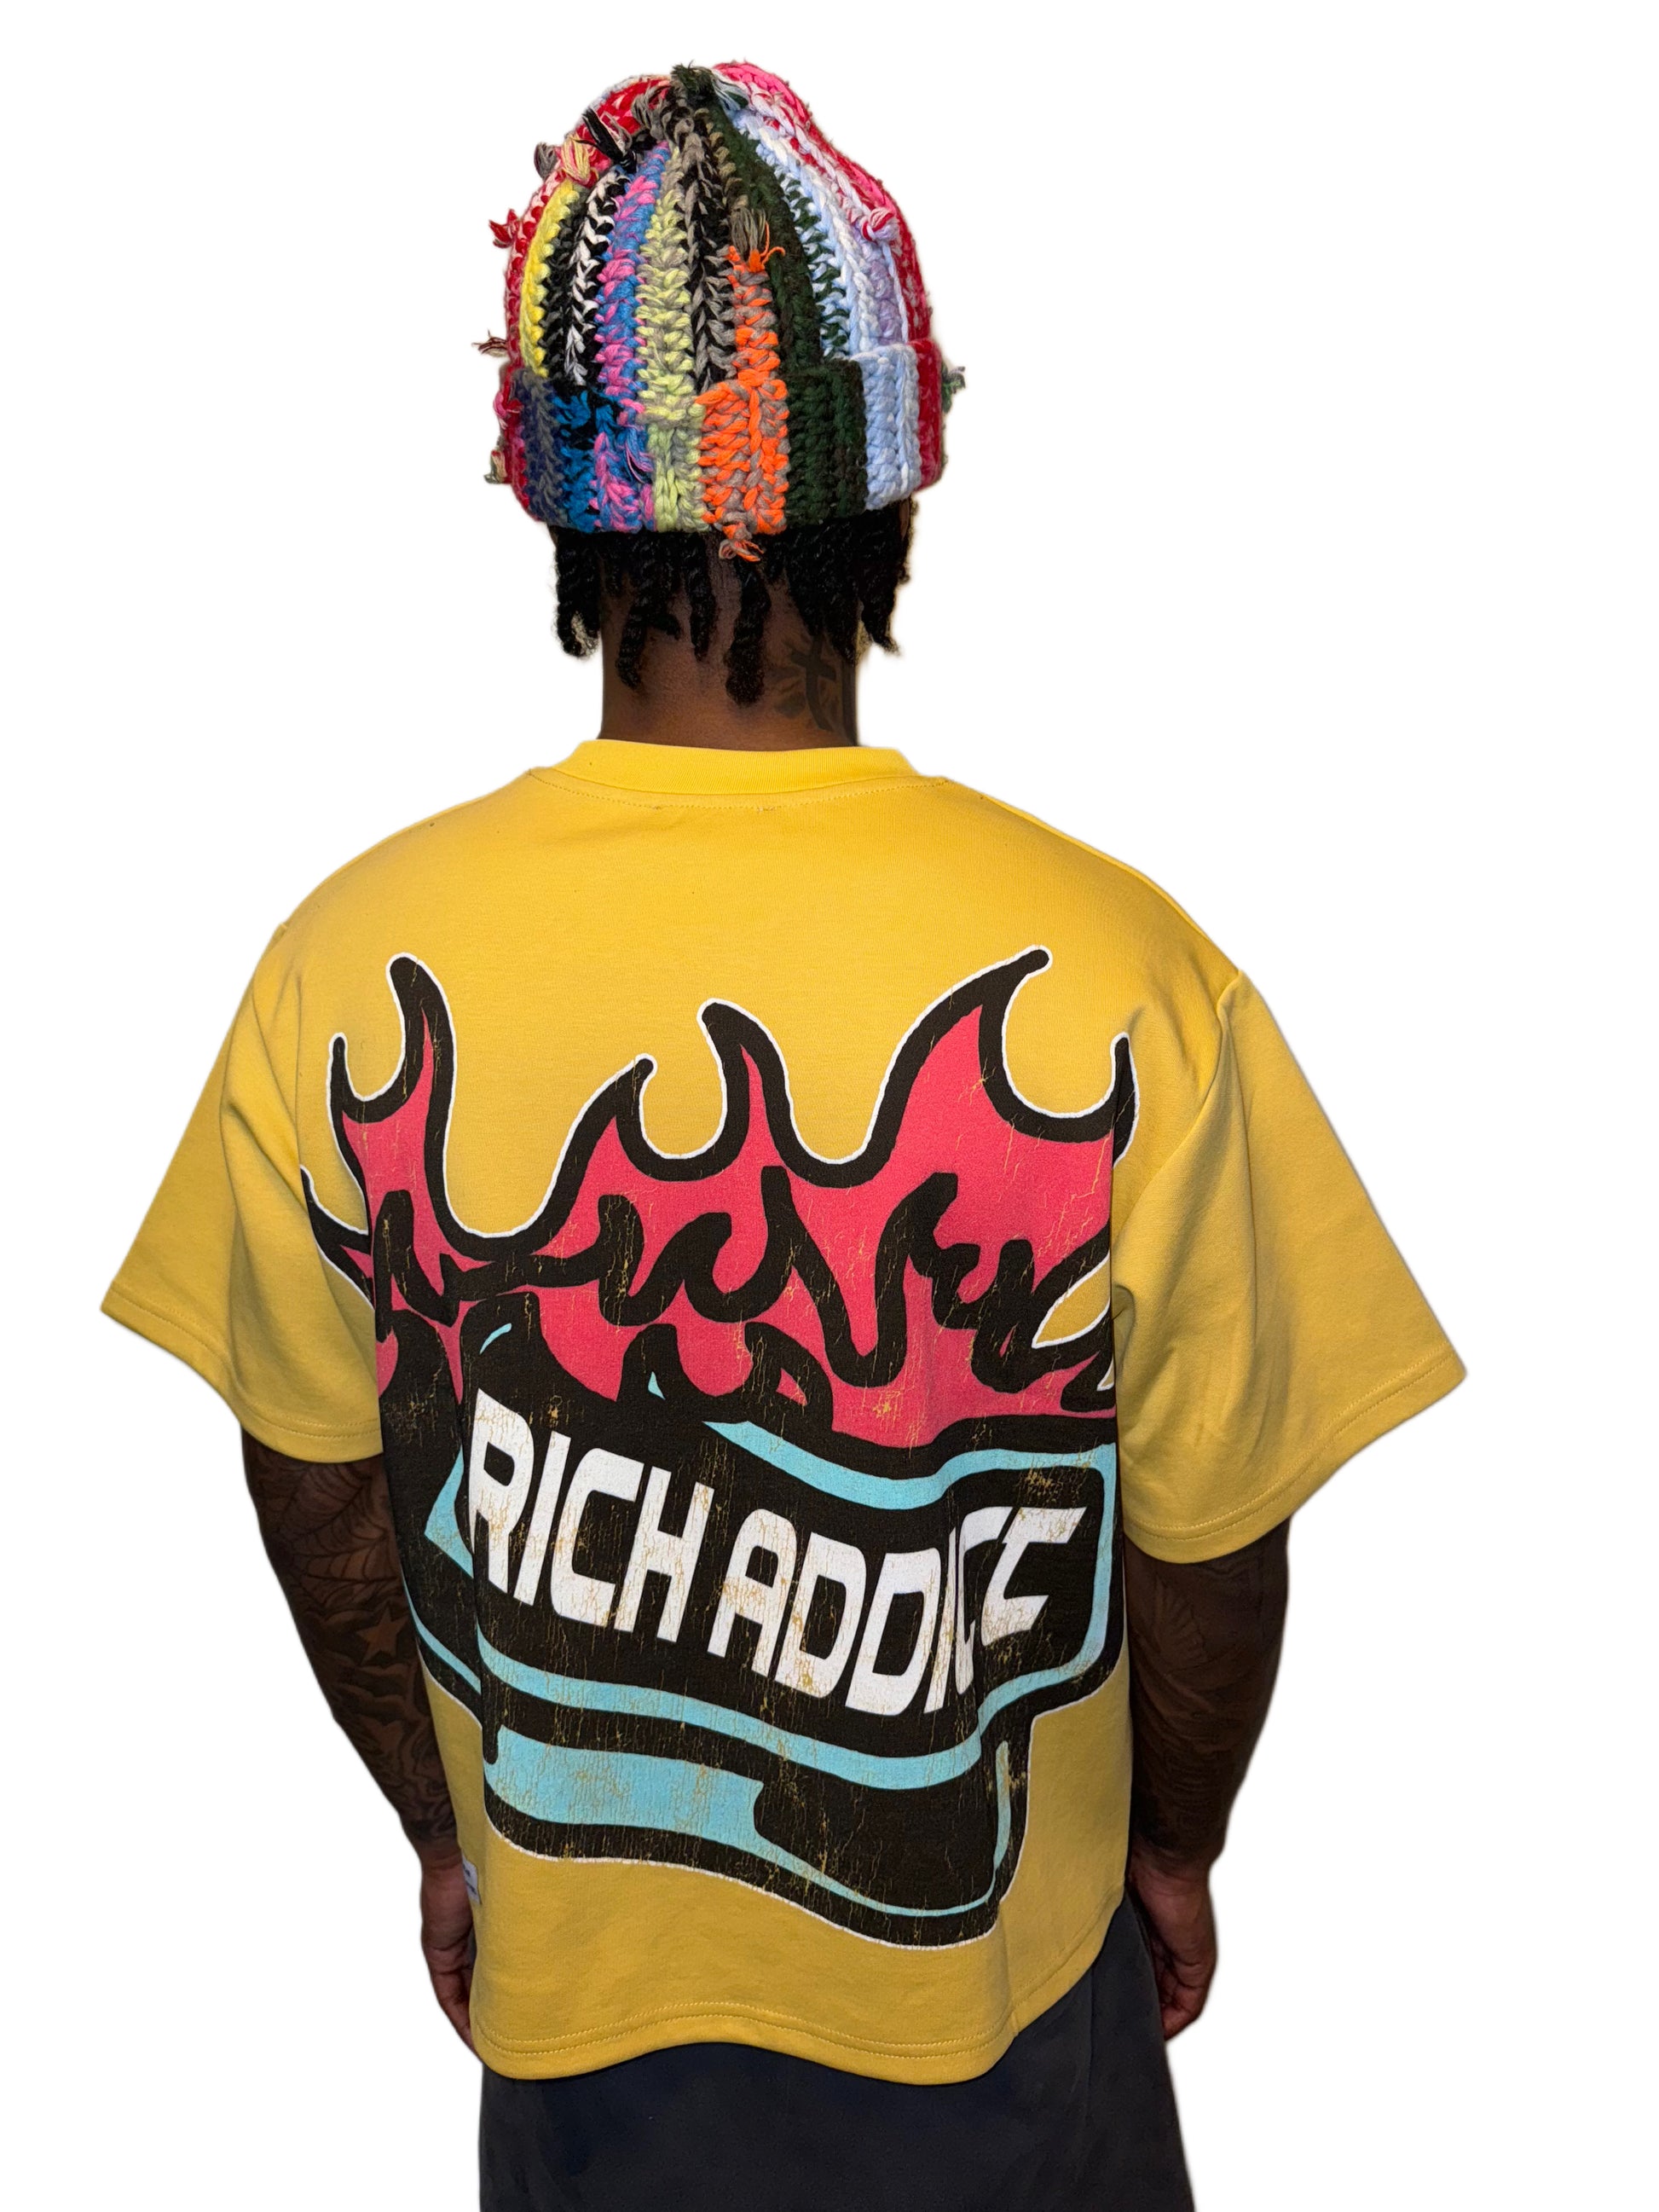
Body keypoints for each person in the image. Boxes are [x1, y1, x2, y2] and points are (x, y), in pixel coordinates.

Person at [103, 62, 1463, 2212]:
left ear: (555, 500)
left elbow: (317, 1483)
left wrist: (445, 1834)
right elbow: (1211, 1540)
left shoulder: (343, 964)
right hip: (1008, 2012)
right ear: (891, 487)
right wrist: (1172, 1842)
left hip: (587, 2035)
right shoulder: (1122, 971)